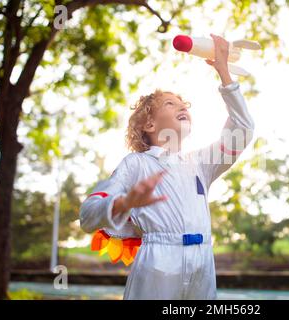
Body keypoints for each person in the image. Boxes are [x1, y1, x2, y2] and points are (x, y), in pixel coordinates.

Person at [79, 33, 255, 299]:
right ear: (149, 125)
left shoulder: (201, 163)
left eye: (184, 104)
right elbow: (87, 215)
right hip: (158, 263)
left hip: (203, 264)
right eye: (171, 103)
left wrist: (224, 73)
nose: (182, 106)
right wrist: (123, 203)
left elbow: (243, 128)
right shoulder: (136, 164)